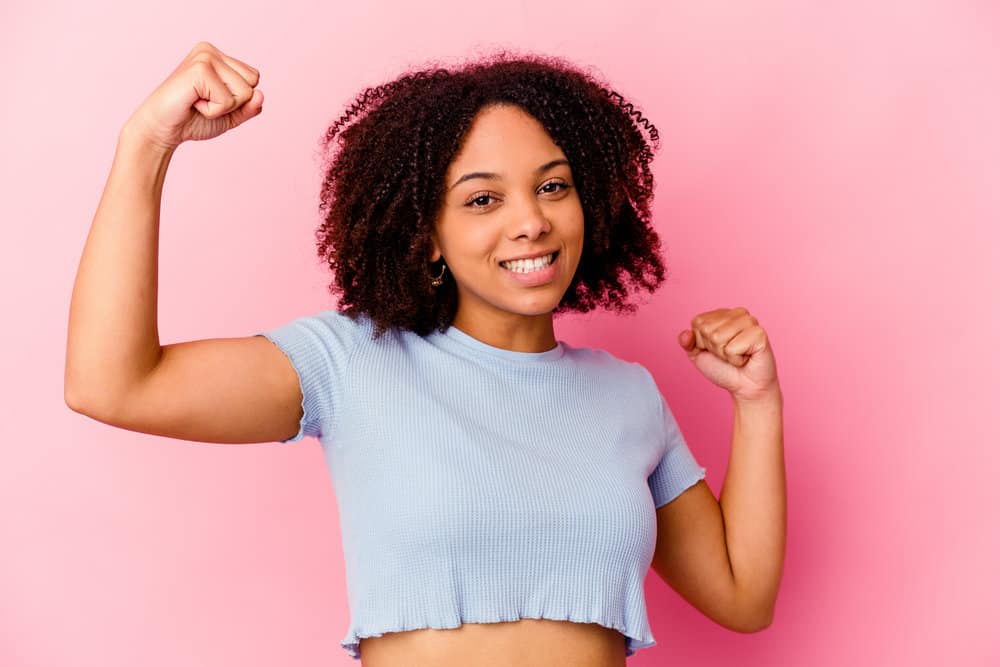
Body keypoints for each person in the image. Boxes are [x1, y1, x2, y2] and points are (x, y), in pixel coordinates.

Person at [65, 41, 787, 666]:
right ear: (429, 233)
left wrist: (756, 403)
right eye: (482, 200)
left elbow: (743, 595)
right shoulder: (352, 361)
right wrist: (146, 145)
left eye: (553, 187)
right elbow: (112, 384)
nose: (531, 221)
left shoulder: (628, 394)